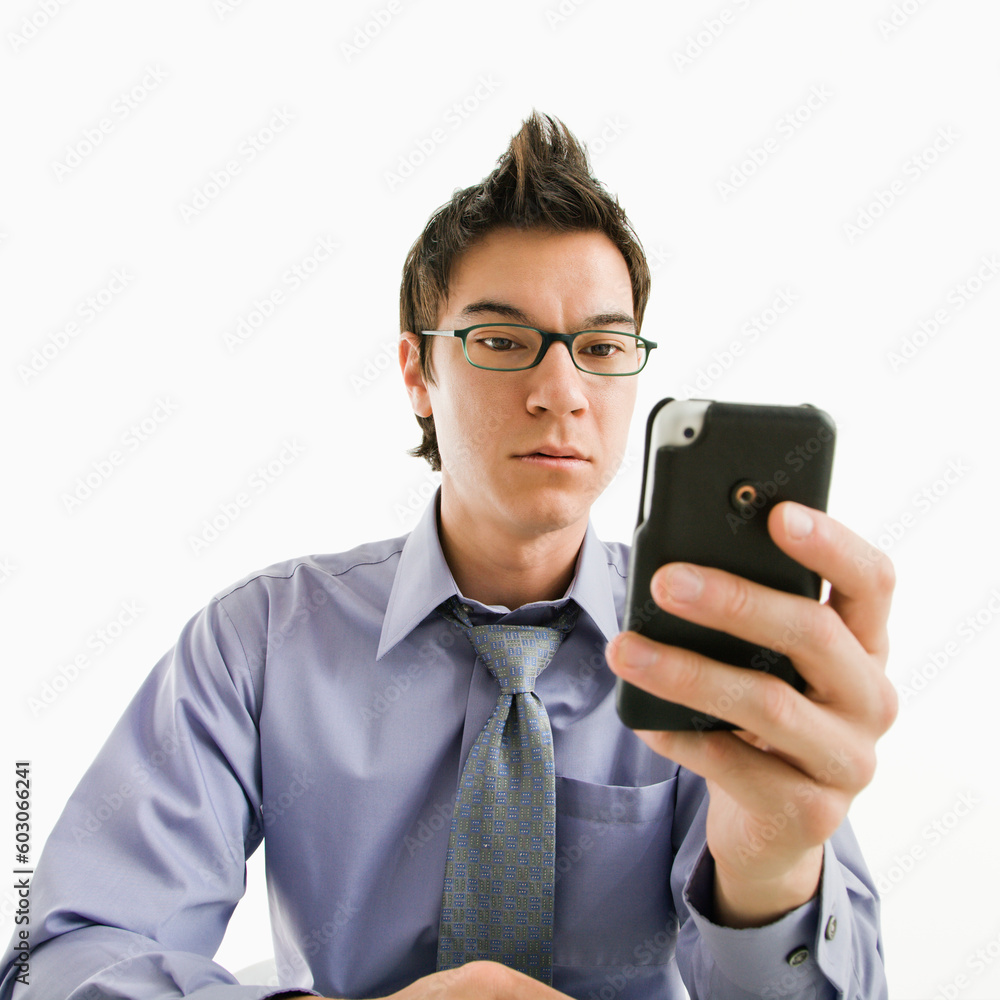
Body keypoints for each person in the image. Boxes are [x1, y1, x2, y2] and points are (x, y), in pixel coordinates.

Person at [0, 111, 897, 1000]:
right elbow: (65, 958)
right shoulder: (261, 643)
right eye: (501, 341)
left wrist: (770, 879)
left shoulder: (708, 652)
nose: (560, 392)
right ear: (417, 373)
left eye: (602, 346)